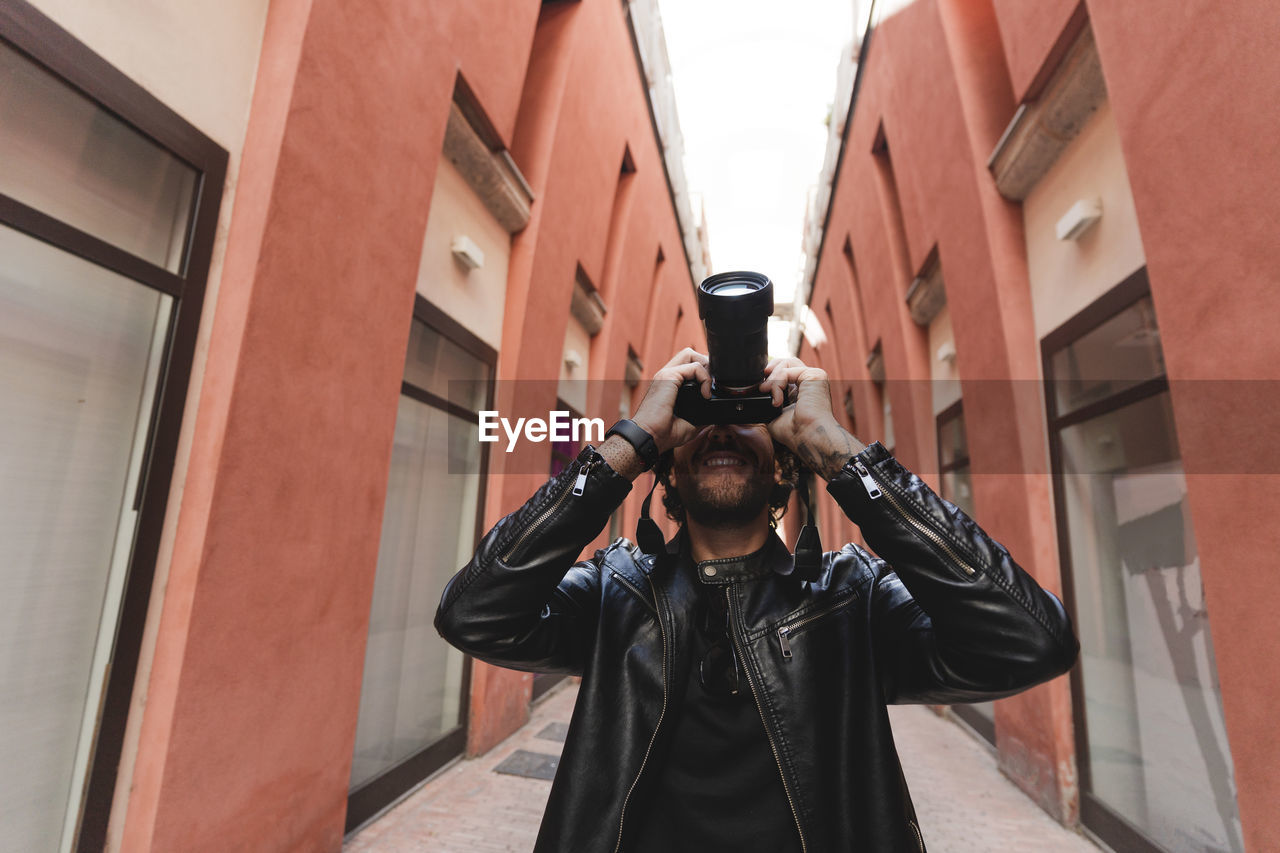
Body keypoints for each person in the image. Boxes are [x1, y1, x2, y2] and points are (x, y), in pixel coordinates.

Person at [435, 349, 1078, 852]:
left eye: (746, 421)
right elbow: (473, 615)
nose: (722, 433)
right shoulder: (615, 593)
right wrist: (628, 443)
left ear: (784, 467)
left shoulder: (852, 599)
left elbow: (1031, 641)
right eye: (703, 423)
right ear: (668, 471)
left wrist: (836, 448)